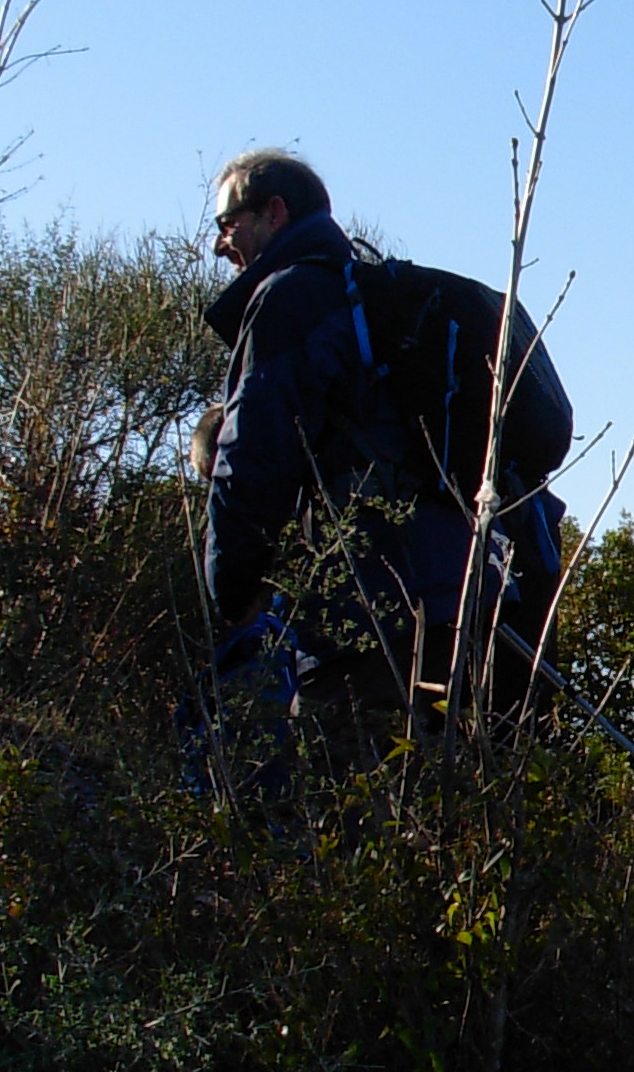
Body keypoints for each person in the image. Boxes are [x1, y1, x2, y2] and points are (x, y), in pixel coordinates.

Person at [199, 148, 504, 711]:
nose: (221, 244)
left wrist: (232, 588)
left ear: (274, 211)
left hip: (372, 610)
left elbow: (253, 454)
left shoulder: (293, 297)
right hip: (466, 592)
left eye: (227, 222)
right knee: (449, 757)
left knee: (345, 757)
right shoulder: (367, 296)